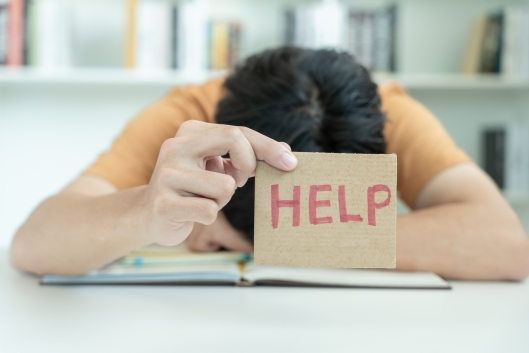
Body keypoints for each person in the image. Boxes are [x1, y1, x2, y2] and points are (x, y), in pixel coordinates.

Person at [10, 47, 529, 280]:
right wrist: (145, 214)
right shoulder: (188, 114)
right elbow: (32, 242)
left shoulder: (391, 114)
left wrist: (276, 237)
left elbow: (506, 244)